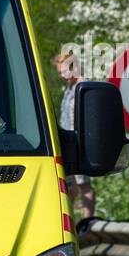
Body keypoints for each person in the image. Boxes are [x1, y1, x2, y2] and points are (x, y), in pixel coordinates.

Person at [55, 50, 96, 219]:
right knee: (70, 185)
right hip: (69, 143)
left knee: (83, 183)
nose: (63, 76)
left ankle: (87, 220)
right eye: (60, 73)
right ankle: (70, 219)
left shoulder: (83, 86)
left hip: (80, 143)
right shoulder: (70, 87)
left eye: (65, 71)